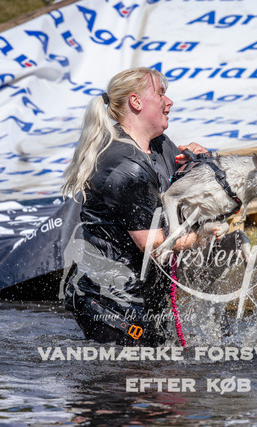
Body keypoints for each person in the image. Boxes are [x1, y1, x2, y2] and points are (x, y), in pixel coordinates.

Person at [61, 67, 209, 346]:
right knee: (132, 373)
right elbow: (154, 244)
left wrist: (198, 164)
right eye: (161, 94)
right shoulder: (126, 165)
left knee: (159, 368)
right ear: (136, 102)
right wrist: (205, 234)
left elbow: (175, 191)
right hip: (113, 305)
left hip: (146, 297)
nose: (169, 102)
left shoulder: (160, 145)